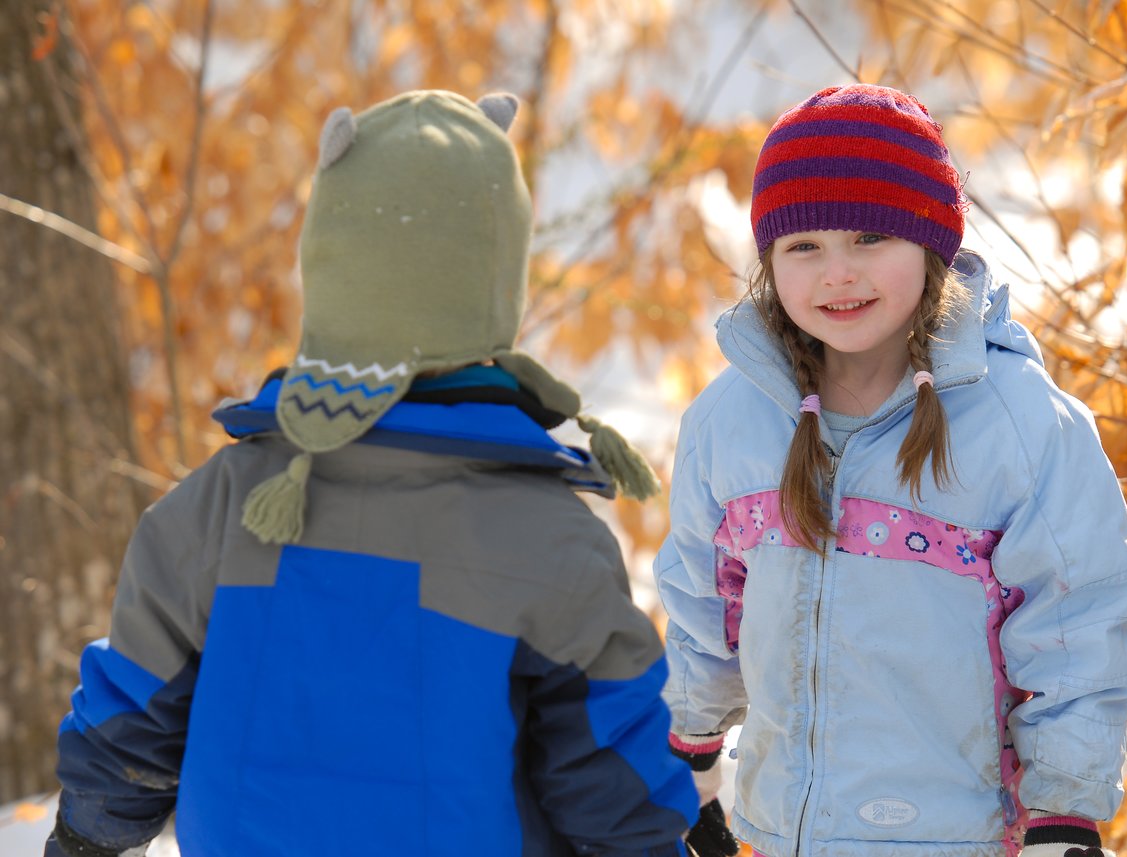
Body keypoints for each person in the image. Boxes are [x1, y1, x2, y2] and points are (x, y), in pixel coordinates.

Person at [45, 89, 698, 857]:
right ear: (494, 282)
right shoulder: (546, 536)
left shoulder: (226, 501)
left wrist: (82, 843)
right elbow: (611, 776)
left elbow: (130, 720)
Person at [655, 83, 1127, 857]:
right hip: (777, 832)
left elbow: (1075, 625)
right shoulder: (731, 421)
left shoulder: (1015, 421)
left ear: (929, 245)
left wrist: (1066, 813)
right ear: (770, 263)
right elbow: (702, 597)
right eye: (804, 247)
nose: (837, 274)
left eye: (868, 238)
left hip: (959, 834)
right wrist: (690, 749)